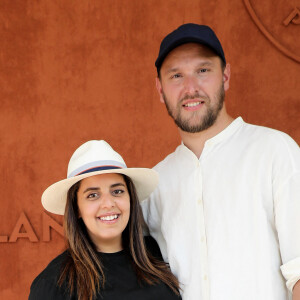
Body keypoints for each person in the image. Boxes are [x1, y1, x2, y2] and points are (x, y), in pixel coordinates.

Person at [141, 23, 300, 300]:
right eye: (176, 75)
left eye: (203, 71)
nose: (191, 88)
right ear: (160, 89)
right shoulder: (154, 183)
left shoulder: (275, 151)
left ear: (225, 75)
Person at [29, 140, 181, 300]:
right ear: (76, 207)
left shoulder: (157, 254)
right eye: (93, 195)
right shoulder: (53, 285)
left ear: (130, 198)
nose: (108, 204)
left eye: (117, 191)